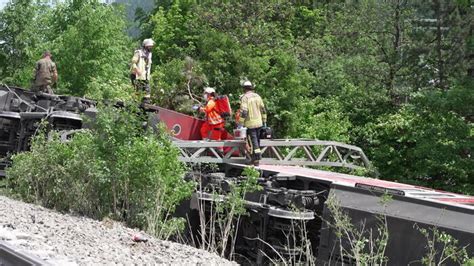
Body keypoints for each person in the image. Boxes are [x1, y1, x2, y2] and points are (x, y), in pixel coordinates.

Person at [237, 80, 267, 166]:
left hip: (250, 124)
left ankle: (256, 159)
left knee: (253, 142)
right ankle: (255, 159)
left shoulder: (245, 98)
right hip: (259, 123)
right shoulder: (258, 96)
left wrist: (240, 123)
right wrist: (264, 121)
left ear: (244, 89)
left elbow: (244, 111)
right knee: (256, 141)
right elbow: (263, 109)